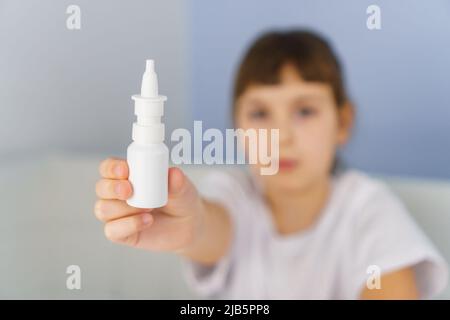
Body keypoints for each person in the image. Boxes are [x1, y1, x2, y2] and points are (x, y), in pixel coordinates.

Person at [94, 30, 448, 299]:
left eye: (304, 111)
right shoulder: (233, 194)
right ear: (237, 128)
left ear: (342, 122)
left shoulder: (368, 211)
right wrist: (190, 226)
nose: (280, 136)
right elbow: (207, 225)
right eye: (260, 113)